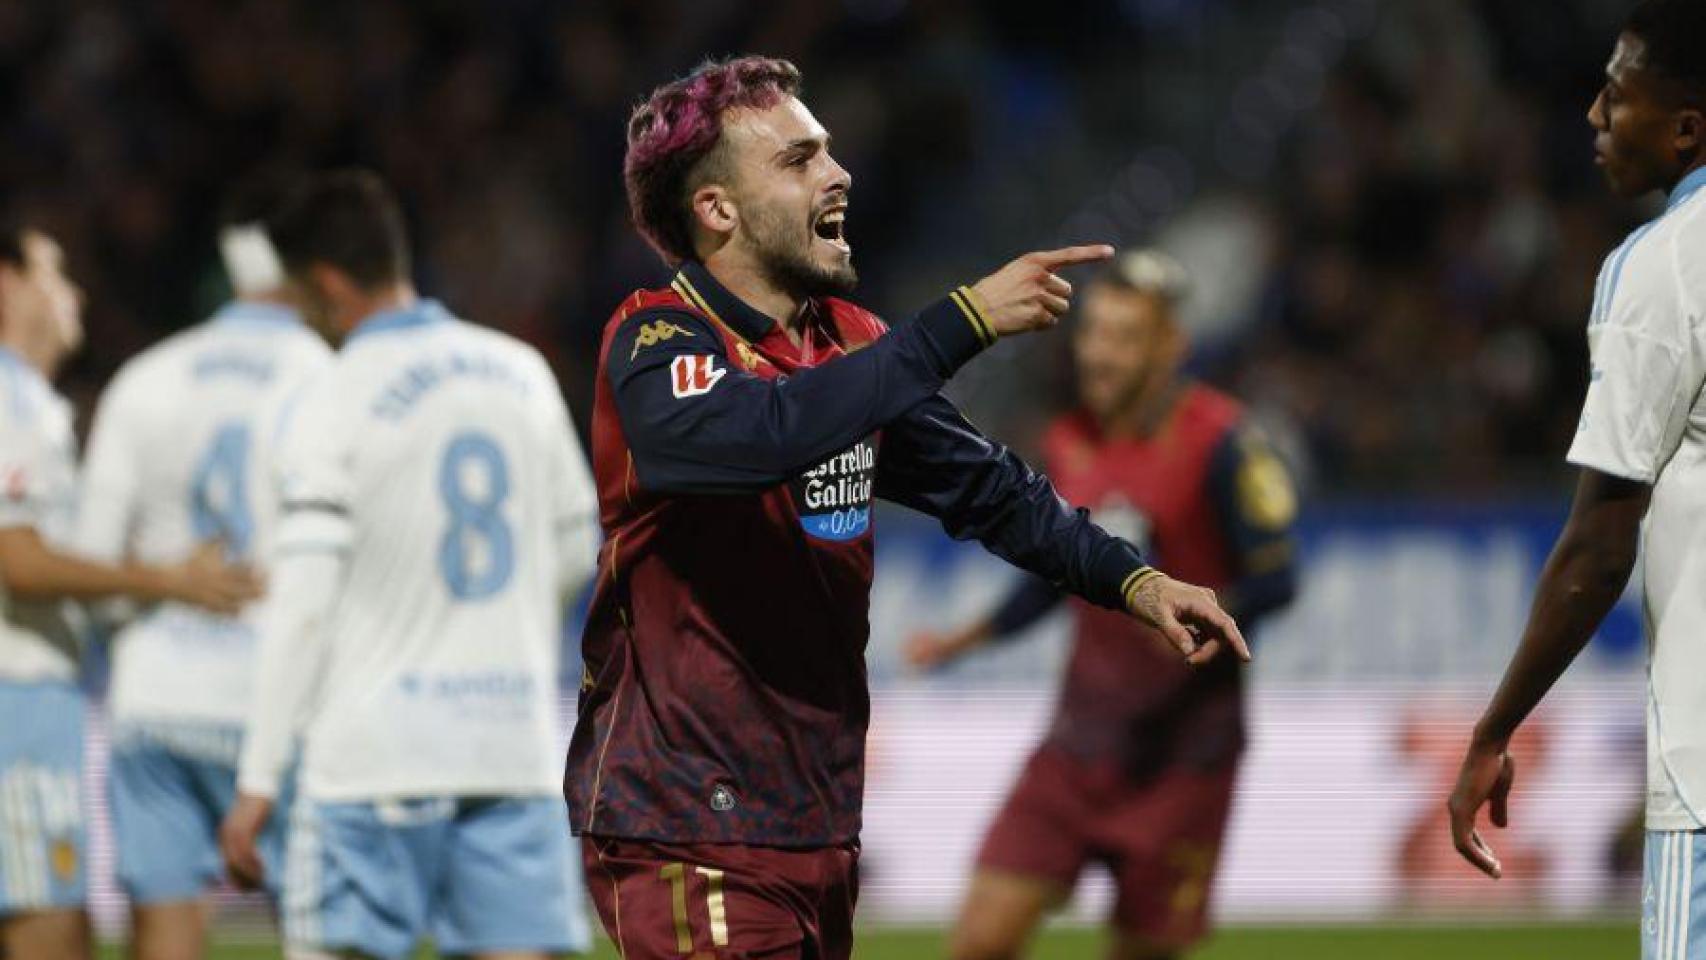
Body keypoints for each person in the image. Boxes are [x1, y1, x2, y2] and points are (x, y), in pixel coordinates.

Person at [566, 56, 1248, 960]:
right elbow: (757, 434)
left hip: (812, 812)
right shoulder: (658, 337)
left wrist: (1137, 582)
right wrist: (960, 320)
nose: (837, 173)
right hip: (685, 815)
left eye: (829, 153)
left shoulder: (851, 346)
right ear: (718, 209)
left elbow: (992, 491)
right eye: (798, 159)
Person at [219, 171, 600, 960]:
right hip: (510, 749)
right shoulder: (521, 371)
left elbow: (305, 606)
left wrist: (258, 778)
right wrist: (503, 635)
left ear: (325, 284)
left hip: (372, 763)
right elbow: (575, 547)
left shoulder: (331, 397)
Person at [905, 249, 1299, 960]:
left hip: (1184, 757)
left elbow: (1278, 578)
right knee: (978, 942)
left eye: (1124, 336)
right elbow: (1050, 578)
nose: (1099, 354)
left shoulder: (1225, 443)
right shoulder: (1067, 441)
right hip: (1078, 745)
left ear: (1170, 346)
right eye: (1092, 333)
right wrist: (960, 642)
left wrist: (1211, 618)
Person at [1446, 2, 1706, 956]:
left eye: (1616, 94)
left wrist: (1494, 728)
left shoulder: (1666, 267)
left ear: (1686, 128)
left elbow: (1600, 542)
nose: (1595, 117)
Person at [73, 178, 332, 960]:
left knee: (165, 930)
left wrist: (154, 607)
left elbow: (92, 565)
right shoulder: (323, 374)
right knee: (313, 933)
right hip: (279, 702)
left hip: (157, 697)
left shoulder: (143, 378)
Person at [0, 225, 261, 960]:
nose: (73, 294)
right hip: (17, 705)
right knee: (48, 936)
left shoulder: (31, 401)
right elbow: (17, 560)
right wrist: (166, 579)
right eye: (54, 275)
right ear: (7, 283)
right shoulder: (9, 395)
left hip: (29, 701)